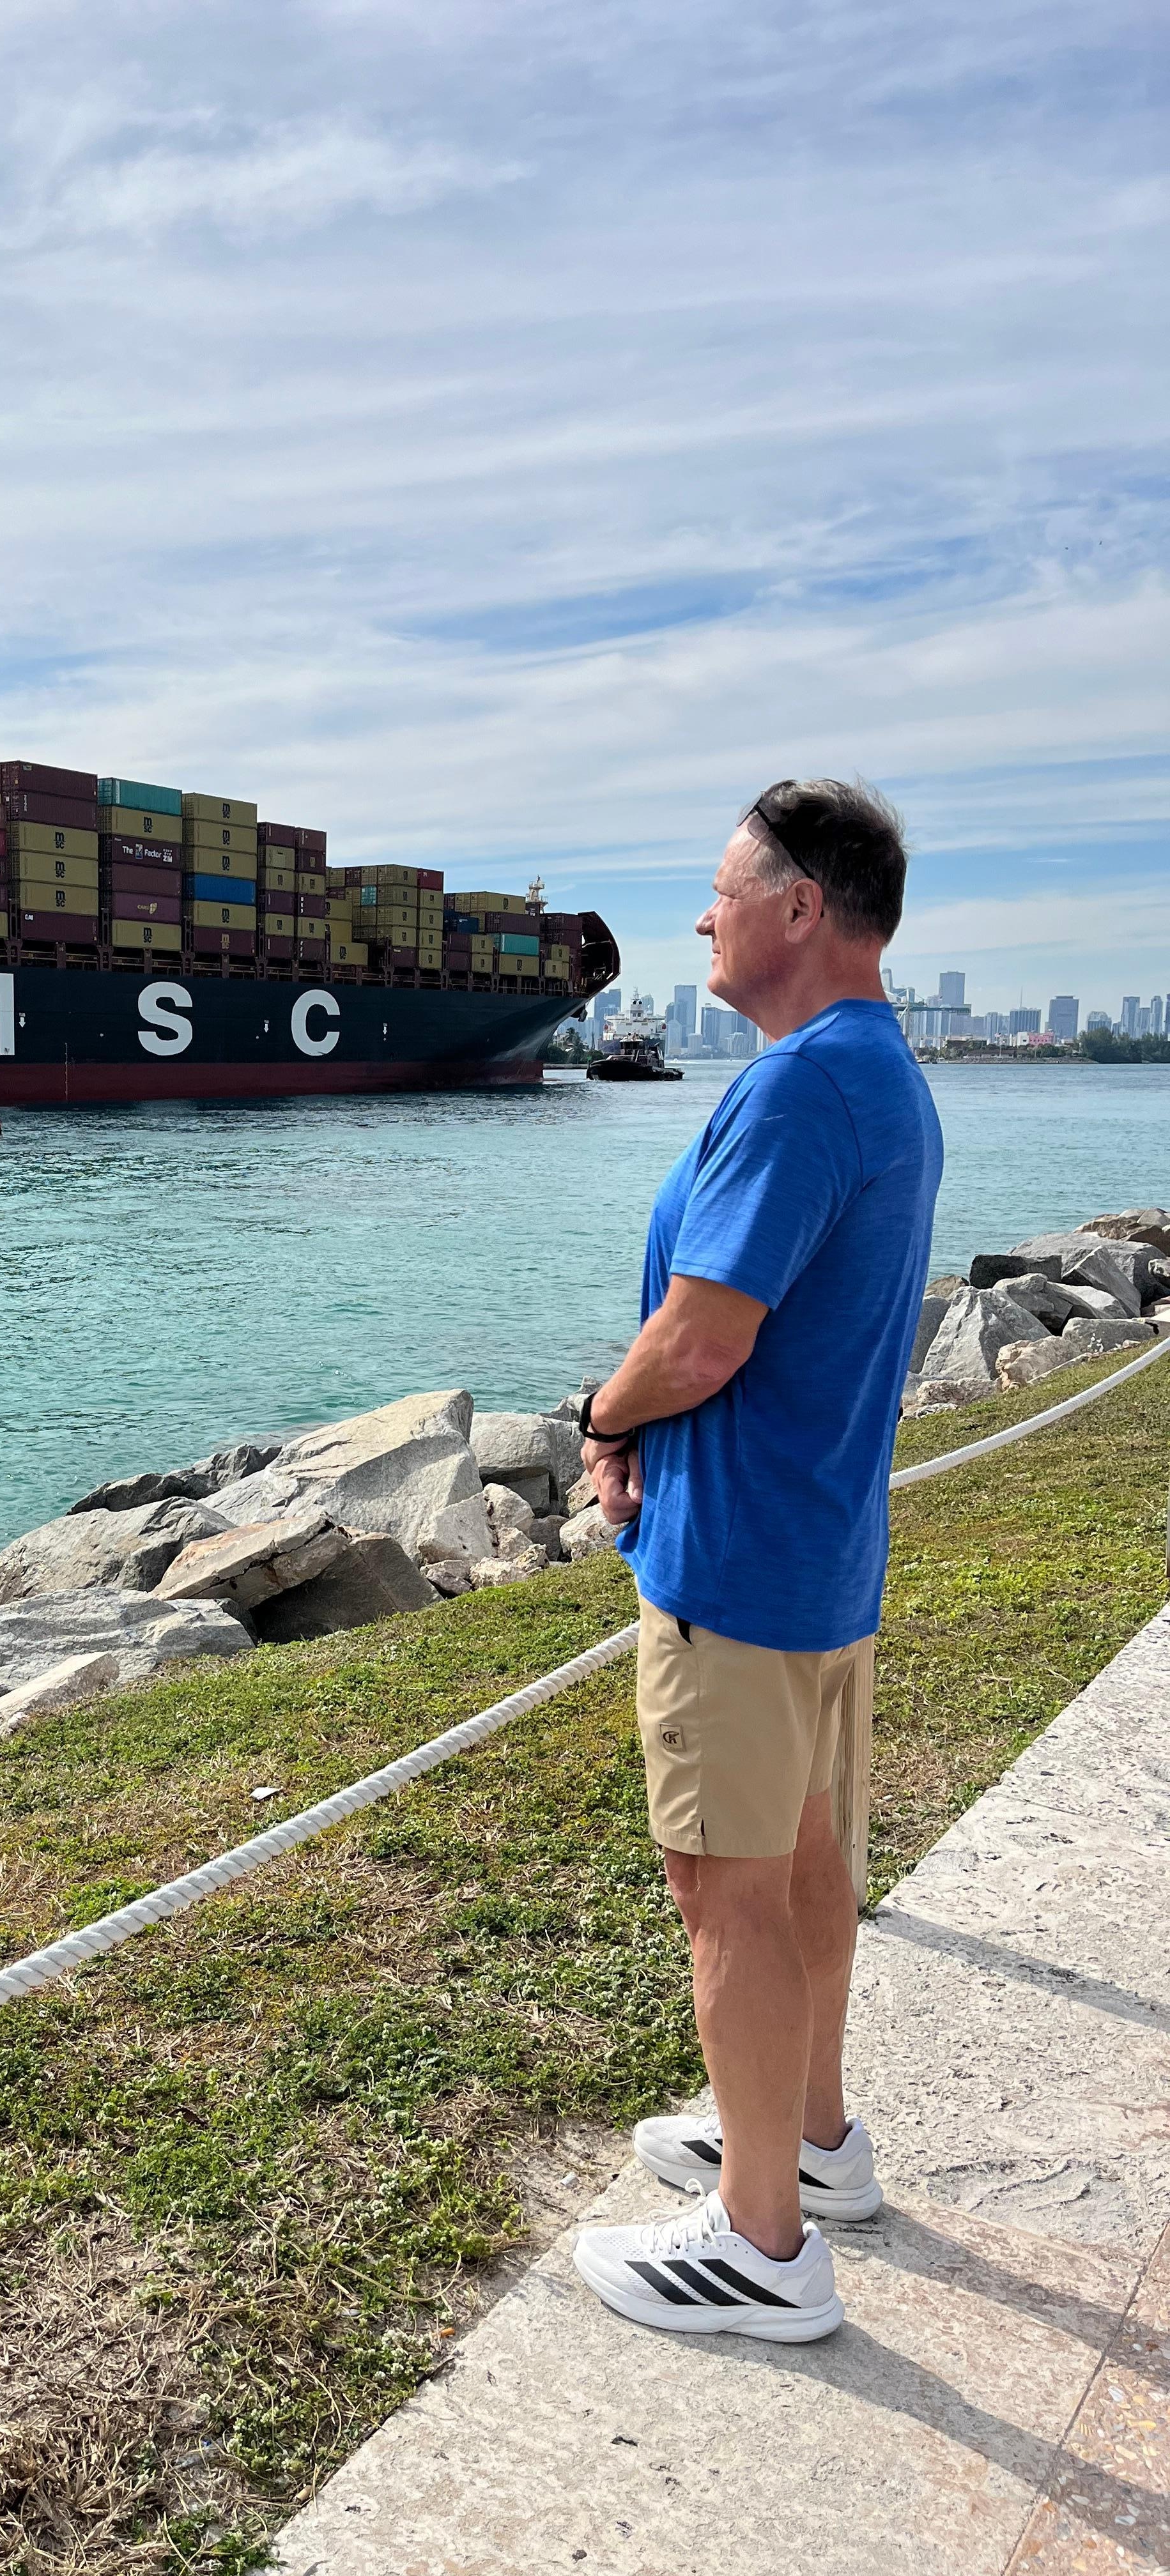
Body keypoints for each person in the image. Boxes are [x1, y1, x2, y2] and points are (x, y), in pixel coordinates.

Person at [568, 778, 942, 2343]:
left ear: (798, 909)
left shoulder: (796, 1089)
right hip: (822, 1552)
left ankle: (763, 2247)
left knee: (724, 1890)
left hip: (736, 1561)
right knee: (800, 1866)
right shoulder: (885, 1075)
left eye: (721, 893)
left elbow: (705, 1340)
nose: (701, 920)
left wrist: (601, 1416)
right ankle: (811, 2144)